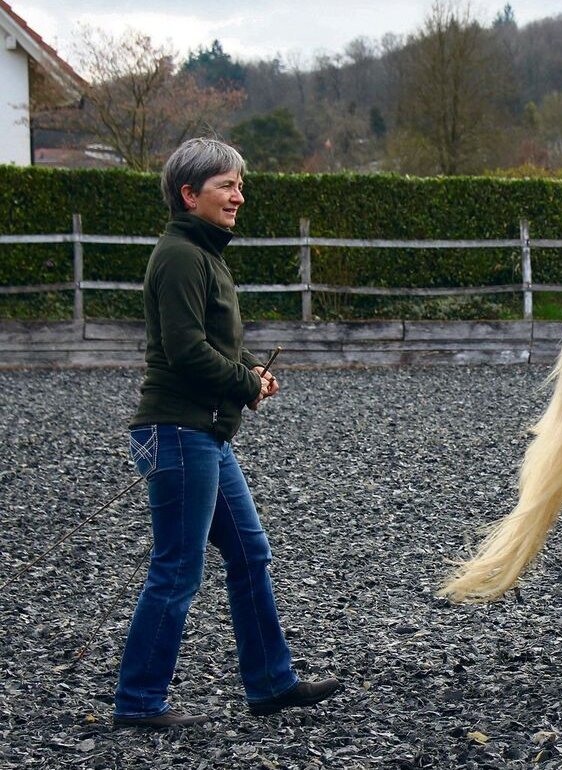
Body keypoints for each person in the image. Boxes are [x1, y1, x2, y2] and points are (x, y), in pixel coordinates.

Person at [114, 138, 340, 728]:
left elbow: (211, 345)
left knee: (248, 553)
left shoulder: (205, 254)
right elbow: (186, 352)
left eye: (240, 184)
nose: (238, 195)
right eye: (226, 185)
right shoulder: (182, 256)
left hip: (203, 434)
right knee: (177, 568)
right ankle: (138, 703)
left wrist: (249, 375)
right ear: (189, 195)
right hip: (179, 433)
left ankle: (270, 683)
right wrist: (244, 383)